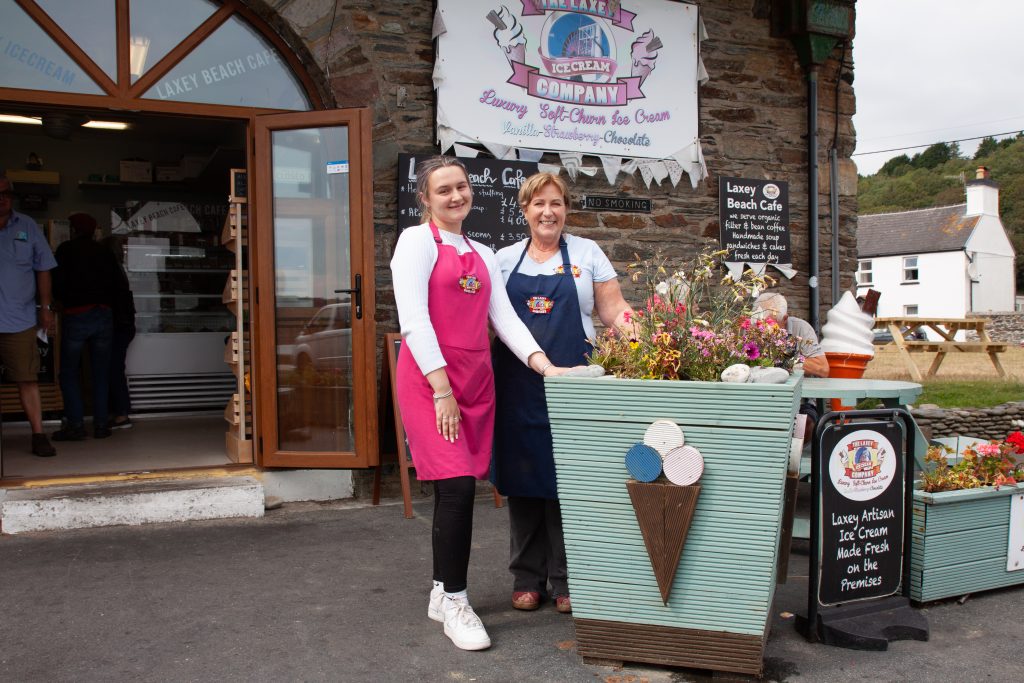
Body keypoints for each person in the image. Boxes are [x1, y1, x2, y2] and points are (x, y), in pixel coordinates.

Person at [390, 156, 569, 652]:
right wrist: (442, 389)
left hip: (477, 383)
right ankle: (455, 600)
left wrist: (544, 365)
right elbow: (414, 321)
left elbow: (506, 320)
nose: (456, 197)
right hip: (433, 382)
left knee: (457, 488)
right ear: (426, 199)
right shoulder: (414, 243)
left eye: (462, 187)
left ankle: (438, 590)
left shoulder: (483, 252)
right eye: (443, 190)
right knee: (456, 489)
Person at [491, 172, 634, 615]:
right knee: (523, 479)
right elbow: (490, 320)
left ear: (566, 208)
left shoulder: (587, 253)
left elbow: (613, 309)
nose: (547, 212)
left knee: (570, 479)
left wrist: (653, 341)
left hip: (576, 380)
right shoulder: (503, 260)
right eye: (538, 204)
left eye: (555, 203)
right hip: (517, 385)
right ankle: (526, 577)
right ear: (524, 210)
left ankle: (569, 578)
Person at [51, 213, 125, 440]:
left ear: (73, 230)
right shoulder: (104, 252)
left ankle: (75, 425)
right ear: (94, 231)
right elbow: (118, 284)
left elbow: (57, 282)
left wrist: (60, 303)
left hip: (76, 315)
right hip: (103, 315)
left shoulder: (65, 250)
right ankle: (101, 426)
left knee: (70, 373)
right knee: (100, 373)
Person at [0, 173, 57, 457]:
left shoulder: (27, 226)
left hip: (19, 318)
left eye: (6, 193)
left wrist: (45, 308)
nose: (2, 199)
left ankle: (38, 435)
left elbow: (43, 267)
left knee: (28, 378)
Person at [752, 292, 829, 425]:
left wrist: (787, 359)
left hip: (799, 401)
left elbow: (823, 369)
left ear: (785, 319)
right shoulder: (751, 330)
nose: (763, 330)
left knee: (804, 426)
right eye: (760, 324)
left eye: (770, 324)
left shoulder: (801, 328)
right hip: (761, 399)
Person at [104, 234, 136, 429]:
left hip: (117, 325)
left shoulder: (110, 270)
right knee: (116, 368)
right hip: (125, 324)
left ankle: (121, 413)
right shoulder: (119, 269)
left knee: (113, 369)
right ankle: (120, 412)